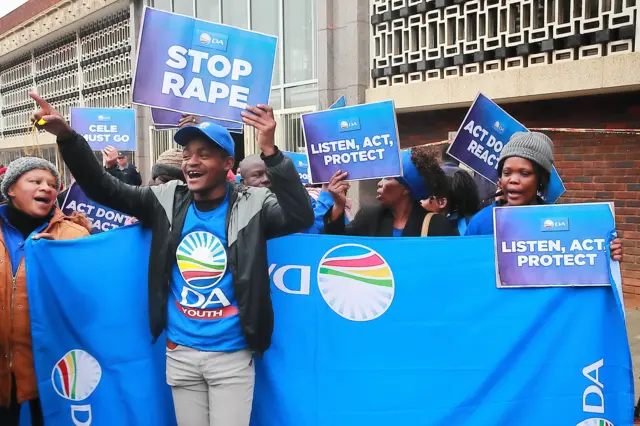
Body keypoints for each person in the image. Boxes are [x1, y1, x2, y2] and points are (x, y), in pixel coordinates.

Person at [29, 92, 314, 426]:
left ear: (227, 165)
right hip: (180, 353)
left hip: (232, 355)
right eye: (187, 154)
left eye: (204, 155)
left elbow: (299, 217)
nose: (191, 162)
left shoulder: (254, 202)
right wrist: (68, 138)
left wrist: (270, 151)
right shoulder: (166, 198)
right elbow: (102, 187)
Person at [0, 157, 90, 426]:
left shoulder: (74, 236)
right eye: (35, 181)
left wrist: (58, 260)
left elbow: (87, 296)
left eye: (52, 184)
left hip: (52, 364)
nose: (47, 188)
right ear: (11, 189)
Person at [464, 132, 623, 260]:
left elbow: (583, 262)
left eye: (524, 173)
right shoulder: (481, 223)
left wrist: (607, 256)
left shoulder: (561, 223)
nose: (513, 180)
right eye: (507, 173)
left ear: (540, 180)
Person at [323, 146, 458, 237]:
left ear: (406, 189)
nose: (379, 183)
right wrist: (339, 205)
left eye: (387, 178)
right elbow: (338, 247)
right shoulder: (369, 216)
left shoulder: (438, 227)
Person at [238, 154, 345, 233]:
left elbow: (314, 228)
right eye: (257, 175)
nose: (265, 179)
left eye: (269, 173)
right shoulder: (235, 210)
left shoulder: (297, 201)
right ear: (243, 182)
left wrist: (327, 192)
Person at [421, 168, 480, 235]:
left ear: (441, 202)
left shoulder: (443, 231)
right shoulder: (472, 222)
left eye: (424, 197)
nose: (421, 201)